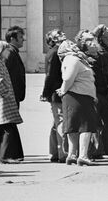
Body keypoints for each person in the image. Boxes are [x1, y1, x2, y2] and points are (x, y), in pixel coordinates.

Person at [77, 28, 108, 159]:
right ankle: (91, 151)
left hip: (106, 92)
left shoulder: (103, 54)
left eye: (92, 39)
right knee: (92, 123)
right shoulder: (82, 57)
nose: (92, 42)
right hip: (93, 93)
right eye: (88, 40)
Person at [56, 39, 98, 166]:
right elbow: (68, 78)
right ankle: (82, 156)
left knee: (73, 126)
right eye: (70, 44)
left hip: (77, 95)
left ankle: (72, 155)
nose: (74, 45)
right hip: (79, 96)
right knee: (85, 126)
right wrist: (63, 90)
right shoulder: (72, 59)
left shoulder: (73, 58)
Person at [0, 40, 24, 163]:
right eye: (6, 49)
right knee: (8, 126)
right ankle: (6, 156)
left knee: (1, 127)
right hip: (2, 100)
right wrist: (6, 94)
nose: (8, 51)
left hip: (1, 99)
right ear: (0, 50)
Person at [41, 29, 67, 163]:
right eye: (59, 35)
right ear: (52, 40)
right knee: (61, 121)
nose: (63, 35)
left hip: (57, 91)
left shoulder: (60, 51)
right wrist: (45, 93)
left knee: (56, 122)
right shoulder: (55, 53)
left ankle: (54, 152)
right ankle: (63, 153)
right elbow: (50, 75)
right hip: (57, 92)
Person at [4, 26, 26, 109]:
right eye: (20, 37)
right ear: (12, 39)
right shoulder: (9, 52)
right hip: (10, 96)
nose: (23, 39)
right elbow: (3, 73)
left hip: (14, 94)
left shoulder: (13, 51)